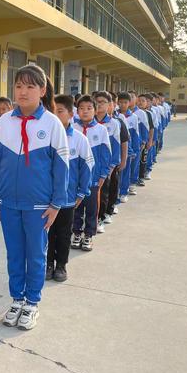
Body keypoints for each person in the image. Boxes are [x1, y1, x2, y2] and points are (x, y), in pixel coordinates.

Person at [0, 65, 69, 330]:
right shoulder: (3, 122)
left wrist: (57, 203)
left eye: (30, 86)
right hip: (9, 203)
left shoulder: (52, 123)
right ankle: (17, 299)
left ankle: (32, 302)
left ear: (43, 91)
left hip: (39, 206)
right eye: (19, 85)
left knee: (35, 255)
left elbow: (61, 167)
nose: (23, 91)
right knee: (14, 254)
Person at [47, 95, 93, 282]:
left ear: (70, 114)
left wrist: (82, 192)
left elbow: (87, 167)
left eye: (60, 111)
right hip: (47, 198)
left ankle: (61, 265)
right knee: (48, 233)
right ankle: (48, 264)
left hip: (68, 198)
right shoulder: (46, 137)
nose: (56, 116)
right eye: (53, 111)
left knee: (64, 234)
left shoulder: (80, 140)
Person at [71, 95, 111, 251]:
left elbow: (105, 154)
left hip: (94, 177)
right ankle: (76, 232)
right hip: (75, 177)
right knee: (76, 206)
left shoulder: (101, 130)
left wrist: (103, 175)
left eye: (89, 108)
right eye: (81, 108)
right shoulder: (73, 128)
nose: (85, 111)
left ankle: (88, 234)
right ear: (76, 111)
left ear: (95, 110)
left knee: (92, 207)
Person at [94, 91, 120, 233]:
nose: (99, 104)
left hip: (104, 166)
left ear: (110, 105)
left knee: (103, 193)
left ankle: (99, 218)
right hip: (89, 165)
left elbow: (115, 146)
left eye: (103, 102)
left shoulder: (113, 124)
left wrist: (111, 167)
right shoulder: (86, 122)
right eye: (97, 101)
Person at [106, 92, 129, 218]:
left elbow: (124, 141)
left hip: (113, 162)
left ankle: (110, 209)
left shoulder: (118, 121)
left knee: (112, 186)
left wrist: (123, 160)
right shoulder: (89, 122)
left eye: (109, 103)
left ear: (113, 105)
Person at [115, 92, 140, 203]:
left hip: (127, 149)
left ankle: (124, 192)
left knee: (125, 171)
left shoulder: (133, 117)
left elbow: (135, 135)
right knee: (117, 173)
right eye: (120, 102)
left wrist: (135, 149)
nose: (123, 105)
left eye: (125, 102)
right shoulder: (115, 116)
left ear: (129, 103)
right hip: (116, 149)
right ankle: (117, 191)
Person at [129, 90, 149, 193]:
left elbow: (145, 128)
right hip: (125, 143)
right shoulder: (120, 112)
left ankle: (132, 184)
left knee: (135, 164)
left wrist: (144, 141)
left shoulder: (140, 113)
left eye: (132, 97)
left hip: (137, 142)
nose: (130, 99)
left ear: (135, 99)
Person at [137, 94, 154, 186]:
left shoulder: (148, 114)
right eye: (139, 100)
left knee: (142, 160)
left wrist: (150, 140)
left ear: (147, 103)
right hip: (136, 142)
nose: (140, 102)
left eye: (143, 101)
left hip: (144, 141)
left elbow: (151, 128)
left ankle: (141, 177)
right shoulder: (133, 113)